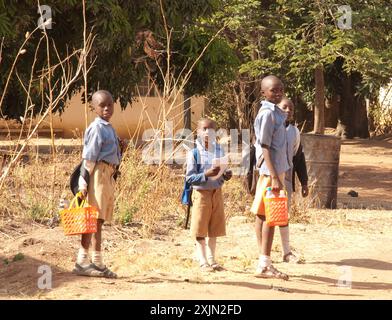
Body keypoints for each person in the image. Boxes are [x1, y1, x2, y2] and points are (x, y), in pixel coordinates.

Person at [73, 90, 121, 278]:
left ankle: (97, 261)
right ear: (94, 107)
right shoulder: (97, 128)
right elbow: (89, 159)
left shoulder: (108, 127)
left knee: (98, 220)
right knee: (92, 219)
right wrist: (83, 184)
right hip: (98, 174)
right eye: (102, 105)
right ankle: (82, 261)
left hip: (107, 174)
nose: (107, 108)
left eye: (110, 104)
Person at [250, 75, 290, 280]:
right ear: (263, 93)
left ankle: (263, 261)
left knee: (263, 215)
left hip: (272, 171)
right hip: (270, 172)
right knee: (271, 217)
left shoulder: (277, 113)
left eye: (280, 89)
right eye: (273, 90)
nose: (278, 93)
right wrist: (275, 177)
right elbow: (264, 146)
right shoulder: (267, 114)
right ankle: (264, 264)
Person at [186, 118, 232, 272]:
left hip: (216, 193)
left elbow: (221, 172)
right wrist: (205, 174)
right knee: (200, 228)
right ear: (197, 132)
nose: (208, 132)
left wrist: (225, 175)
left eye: (211, 129)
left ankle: (212, 259)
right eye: (204, 129)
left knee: (214, 228)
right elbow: (190, 178)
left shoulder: (219, 151)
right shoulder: (194, 153)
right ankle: (203, 260)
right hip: (201, 194)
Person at [277, 98, 309, 263]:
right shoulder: (269, 127)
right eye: (284, 107)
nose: (288, 110)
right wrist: (251, 181)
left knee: (283, 215)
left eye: (291, 108)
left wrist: (304, 182)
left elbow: (298, 158)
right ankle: (264, 255)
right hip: (268, 178)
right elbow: (255, 154)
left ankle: (286, 252)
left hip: (286, 180)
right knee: (263, 216)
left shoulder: (294, 131)